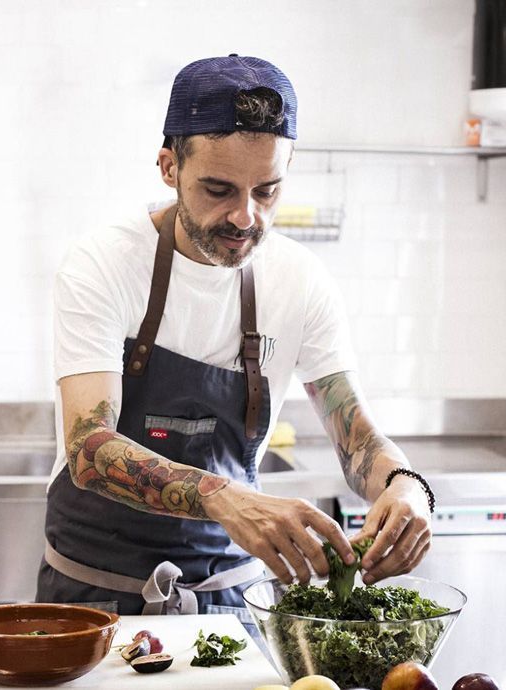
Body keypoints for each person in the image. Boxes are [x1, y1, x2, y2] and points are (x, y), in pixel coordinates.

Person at [36, 55, 435, 622]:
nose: (245, 217)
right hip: (92, 598)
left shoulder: (300, 280)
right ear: (169, 167)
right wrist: (225, 497)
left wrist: (406, 486)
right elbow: (89, 448)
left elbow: (357, 438)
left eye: (267, 191)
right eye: (219, 189)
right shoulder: (103, 264)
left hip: (232, 602)